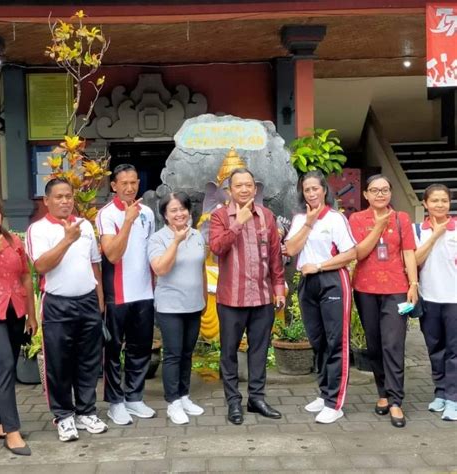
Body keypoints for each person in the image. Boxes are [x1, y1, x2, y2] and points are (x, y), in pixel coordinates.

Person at [26, 178, 107, 442]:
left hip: (87, 302)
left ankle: (86, 412)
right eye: (58, 197)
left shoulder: (85, 226)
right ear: (46, 201)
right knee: (59, 364)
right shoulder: (37, 230)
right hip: (57, 305)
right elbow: (41, 266)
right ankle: (63, 416)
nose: (65, 201)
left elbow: (95, 264)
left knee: (88, 361)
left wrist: (100, 298)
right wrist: (66, 240)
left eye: (68, 196)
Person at [209, 167, 285, 425]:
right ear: (230, 190)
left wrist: (278, 288)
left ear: (255, 188)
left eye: (248, 185)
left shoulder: (266, 216)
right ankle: (233, 403)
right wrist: (238, 222)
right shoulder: (219, 216)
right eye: (238, 185)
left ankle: (256, 398)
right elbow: (217, 247)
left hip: (262, 298)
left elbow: (275, 255)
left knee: (259, 351)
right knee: (229, 353)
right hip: (231, 299)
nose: (244, 189)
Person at [285, 170, 356, 424]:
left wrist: (320, 266)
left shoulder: (336, 219)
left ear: (324, 190)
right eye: (307, 190)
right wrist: (309, 222)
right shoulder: (299, 219)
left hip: (333, 281)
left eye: (316, 188)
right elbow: (291, 249)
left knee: (336, 341)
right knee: (318, 340)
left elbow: (350, 253)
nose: (312, 193)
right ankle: (325, 392)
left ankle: (335, 403)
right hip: (307, 284)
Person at [349, 174, 418, 428]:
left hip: (397, 289)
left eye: (385, 190)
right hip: (366, 289)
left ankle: (396, 400)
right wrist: (377, 226)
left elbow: (408, 252)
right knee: (374, 344)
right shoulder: (357, 219)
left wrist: (413, 283)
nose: (380, 194)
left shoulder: (402, 218)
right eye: (375, 190)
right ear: (366, 194)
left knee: (393, 344)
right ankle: (383, 393)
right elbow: (359, 252)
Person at [96, 164, 156, 425]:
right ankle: (115, 402)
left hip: (144, 291)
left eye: (134, 182)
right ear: (114, 186)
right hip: (116, 294)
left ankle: (134, 397)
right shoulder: (106, 215)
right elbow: (111, 254)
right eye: (124, 183)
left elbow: (151, 251)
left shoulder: (149, 213)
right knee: (113, 350)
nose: (130, 188)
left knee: (140, 348)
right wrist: (128, 221)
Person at [0, 196, 37, 456]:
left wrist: (32, 314)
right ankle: (11, 431)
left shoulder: (14, 240)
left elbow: (26, 275)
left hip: (15, 311)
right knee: (3, 365)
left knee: (4, 367)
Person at [148, 192, 206, 425]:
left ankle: (184, 396)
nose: (179, 214)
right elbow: (160, 269)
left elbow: (201, 267)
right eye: (173, 210)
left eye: (182, 209)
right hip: (170, 306)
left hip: (194, 304)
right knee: (172, 354)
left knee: (187, 353)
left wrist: (202, 298)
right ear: (165, 215)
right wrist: (176, 241)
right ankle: (173, 402)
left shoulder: (198, 235)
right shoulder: (158, 239)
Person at [414, 184, 457, 421]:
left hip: (454, 300)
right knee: (435, 350)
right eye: (435, 201)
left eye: (444, 201)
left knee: (454, 351)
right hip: (429, 299)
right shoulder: (418, 230)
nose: (440, 205)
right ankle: (440, 392)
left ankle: (453, 398)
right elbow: (415, 260)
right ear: (425, 204)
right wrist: (435, 236)